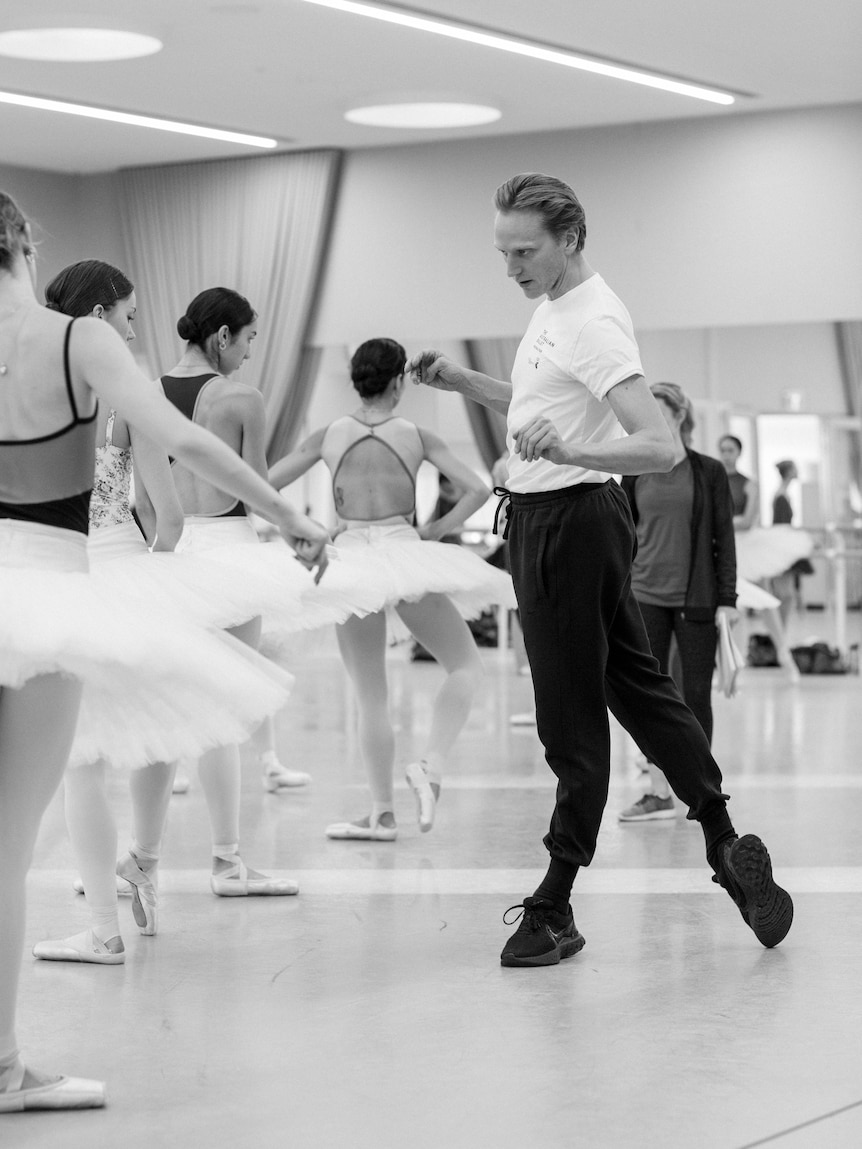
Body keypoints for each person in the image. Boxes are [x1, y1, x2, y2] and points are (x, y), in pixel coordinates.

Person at [406, 172, 793, 967]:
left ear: (570, 238)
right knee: (638, 688)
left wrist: (572, 450)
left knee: (568, 712)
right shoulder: (555, 310)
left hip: (569, 524)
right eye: (502, 252)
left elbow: (659, 445)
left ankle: (554, 901)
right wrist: (459, 382)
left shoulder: (595, 322)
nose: (511, 267)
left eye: (524, 251)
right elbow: (536, 405)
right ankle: (721, 834)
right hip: (571, 520)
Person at [0, 193, 326, 1111]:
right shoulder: (77, 340)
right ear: (25, 242)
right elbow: (181, 443)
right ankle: (3, 1067)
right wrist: (290, 513)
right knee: (8, 844)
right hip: (48, 590)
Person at [31, 260, 296, 966]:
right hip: (125, 570)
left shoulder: (31, 390)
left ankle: (105, 927)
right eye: (126, 314)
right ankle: (143, 863)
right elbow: (168, 517)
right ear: (96, 318)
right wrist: (148, 570)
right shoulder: (126, 398)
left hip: (56, 578)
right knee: (158, 724)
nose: (134, 327)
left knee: (83, 756)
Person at [269, 337, 515, 840]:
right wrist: (436, 530)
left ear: (359, 381)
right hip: (407, 554)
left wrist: (308, 531)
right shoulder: (416, 434)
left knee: (371, 696)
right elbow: (476, 488)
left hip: (352, 561)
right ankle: (432, 764)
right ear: (399, 382)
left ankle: (382, 812)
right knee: (465, 666)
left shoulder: (329, 435)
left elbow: (266, 485)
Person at [617, 383, 738, 822]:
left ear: (681, 417)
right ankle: (657, 791)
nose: (651, 421)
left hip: (697, 599)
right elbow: (624, 534)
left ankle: (701, 793)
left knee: (694, 696)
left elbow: (723, 538)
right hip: (643, 595)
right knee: (647, 697)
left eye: (661, 413)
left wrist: (728, 598)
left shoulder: (708, 472)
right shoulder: (634, 471)